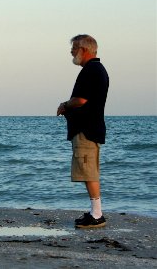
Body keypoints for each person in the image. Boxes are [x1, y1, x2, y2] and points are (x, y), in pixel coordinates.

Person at [57, 35, 109, 228]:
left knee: (88, 171)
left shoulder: (92, 70)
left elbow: (81, 100)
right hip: (89, 127)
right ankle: (95, 212)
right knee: (88, 170)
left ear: (84, 50)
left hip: (87, 129)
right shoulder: (95, 69)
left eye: (74, 48)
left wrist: (64, 105)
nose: (71, 52)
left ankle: (97, 214)